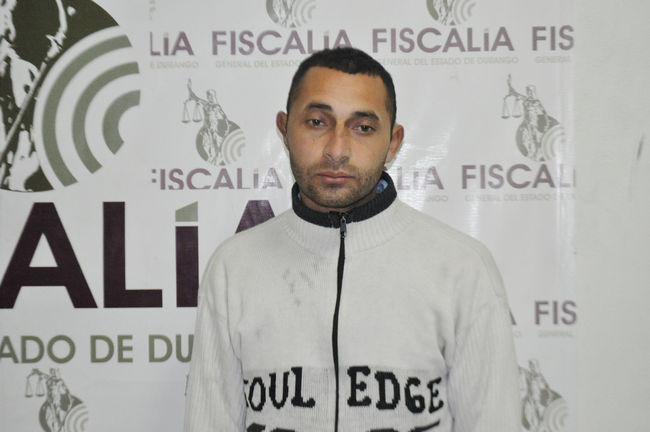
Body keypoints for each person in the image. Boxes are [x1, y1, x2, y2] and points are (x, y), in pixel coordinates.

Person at [184, 47, 520, 432]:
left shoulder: (462, 267)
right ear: (284, 129)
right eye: (316, 122)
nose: (336, 150)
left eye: (363, 128)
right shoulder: (234, 267)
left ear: (393, 142)